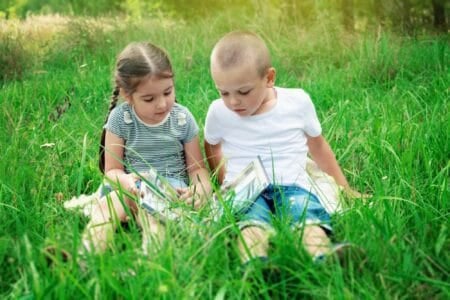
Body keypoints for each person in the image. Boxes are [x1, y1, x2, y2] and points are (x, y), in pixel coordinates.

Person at [204, 31, 366, 267]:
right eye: (223, 92)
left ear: (269, 78)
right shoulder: (218, 112)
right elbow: (211, 146)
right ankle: (255, 265)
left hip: (292, 183)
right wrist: (224, 180)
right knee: (249, 222)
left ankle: (324, 257)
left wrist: (345, 188)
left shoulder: (296, 102)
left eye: (243, 91)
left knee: (305, 215)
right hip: (245, 188)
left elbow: (318, 146)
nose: (233, 102)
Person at [81, 42, 210, 256]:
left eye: (167, 92)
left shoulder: (182, 119)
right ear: (127, 95)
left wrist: (202, 189)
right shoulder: (120, 120)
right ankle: (84, 257)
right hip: (131, 186)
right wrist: (124, 181)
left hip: (169, 188)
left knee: (152, 219)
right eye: (149, 99)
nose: (161, 104)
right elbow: (112, 171)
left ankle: (150, 266)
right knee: (105, 208)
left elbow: (197, 169)